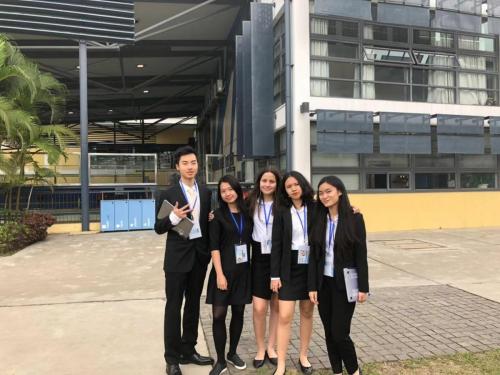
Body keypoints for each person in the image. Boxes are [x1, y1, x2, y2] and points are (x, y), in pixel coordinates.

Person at [154, 146, 214, 375]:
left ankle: (189, 350)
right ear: (178, 167)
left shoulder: (207, 193)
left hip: (199, 256)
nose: (190, 167)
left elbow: (206, 223)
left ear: (198, 165)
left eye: (194, 162)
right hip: (177, 259)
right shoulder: (167, 194)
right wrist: (172, 217)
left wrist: (211, 218)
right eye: (185, 163)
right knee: (173, 306)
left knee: (193, 305)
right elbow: (158, 228)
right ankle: (172, 359)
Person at [308, 176, 369, 375]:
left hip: (345, 283)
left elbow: (361, 255)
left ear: (340, 192)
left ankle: (353, 371)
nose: (324, 196)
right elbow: (314, 257)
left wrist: (363, 287)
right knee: (328, 332)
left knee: (340, 332)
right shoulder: (318, 218)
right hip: (323, 283)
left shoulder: (354, 218)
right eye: (321, 192)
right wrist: (312, 286)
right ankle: (337, 371)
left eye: (329, 191)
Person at [206, 175, 253, 375]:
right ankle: (221, 360)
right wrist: (219, 274)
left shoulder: (248, 213)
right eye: (223, 191)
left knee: (239, 313)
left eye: (230, 189)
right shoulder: (216, 216)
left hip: (243, 272)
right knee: (219, 315)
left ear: (237, 189)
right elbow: (214, 247)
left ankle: (232, 353)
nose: (227, 193)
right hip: (223, 272)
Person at [270, 171, 316, 375]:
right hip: (288, 267)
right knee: (285, 315)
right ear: (285, 191)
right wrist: (274, 275)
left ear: (303, 185)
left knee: (307, 312)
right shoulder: (281, 210)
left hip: (310, 267)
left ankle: (303, 356)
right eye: (289, 186)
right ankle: (281, 363)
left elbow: (337, 213)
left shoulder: (316, 207)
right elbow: (277, 244)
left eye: (296, 184)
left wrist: (353, 209)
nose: (293, 188)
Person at [247, 168, 281, 368]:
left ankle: (271, 347)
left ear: (277, 184)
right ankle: (260, 348)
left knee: (276, 305)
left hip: (278, 258)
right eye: (264, 180)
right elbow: (230, 210)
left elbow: (309, 207)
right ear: (259, 182)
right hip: (259, 258)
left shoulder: (283, 204)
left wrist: (349, 208)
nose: (267, 184)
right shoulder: (250, 202)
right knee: (259, 308)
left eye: (272, 181)